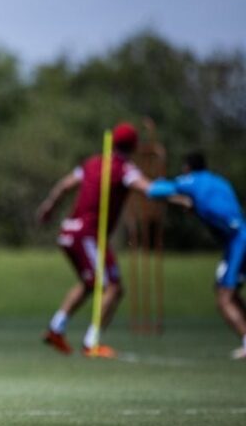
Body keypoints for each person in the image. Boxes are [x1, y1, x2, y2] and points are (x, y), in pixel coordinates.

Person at [35, 123, 151, 358]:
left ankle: (56, 329)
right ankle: (92, 343)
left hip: (70, 232)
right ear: (134, 146)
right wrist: (180, 194)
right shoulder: (124, 169)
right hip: (87, 234)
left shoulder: (92, 162)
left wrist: (48, 207)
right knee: (113, 287)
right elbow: (149, 189)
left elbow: (65, 185)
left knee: (90, 283)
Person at [145, 151, 246, 360]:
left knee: (224, 298)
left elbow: (155, 191)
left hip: (238, 243)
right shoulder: (219, 182)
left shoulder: (192, 181)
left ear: (187, 168)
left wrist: (159, 183)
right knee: (229, 291)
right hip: (238, 238)